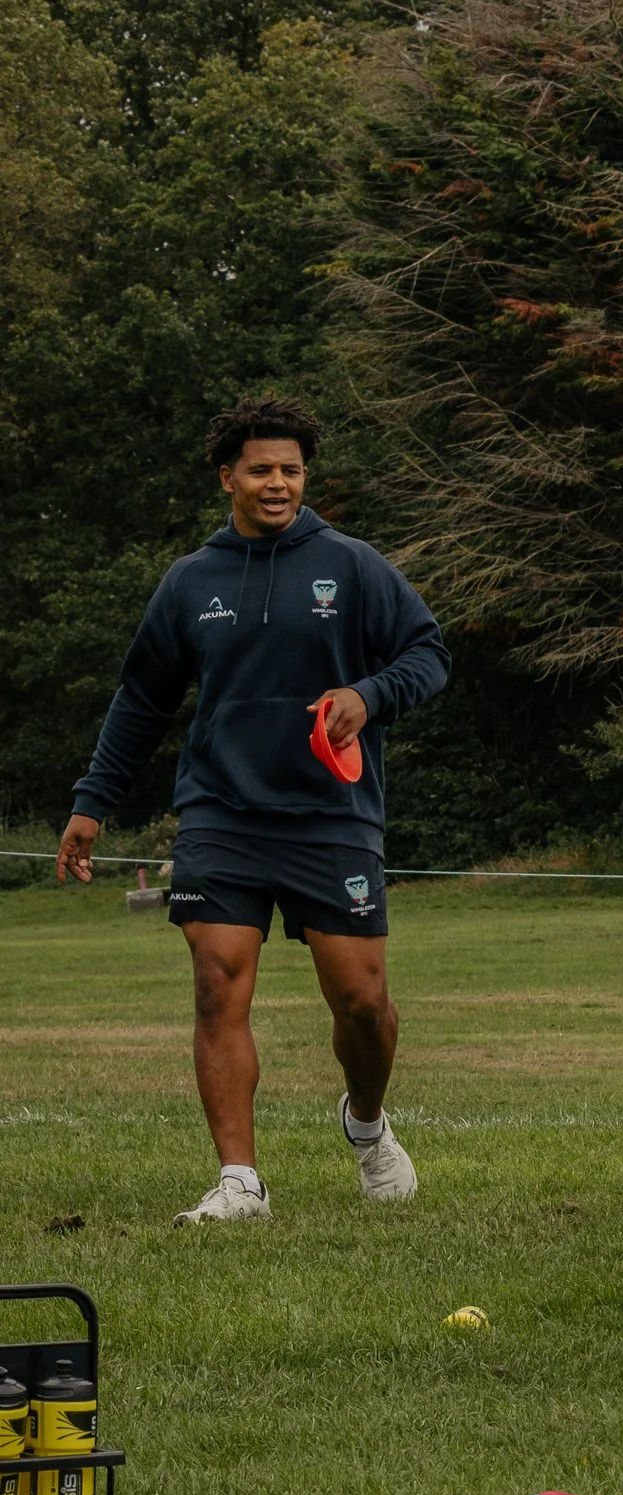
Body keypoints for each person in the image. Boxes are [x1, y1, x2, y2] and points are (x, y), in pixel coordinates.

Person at [55, 397, 449, 1225]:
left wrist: (367, 695)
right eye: (262, 469)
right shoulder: (191, 581)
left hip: (332, 814)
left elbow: (428, 653)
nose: (278, 483)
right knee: (215, 983)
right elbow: (141, 700)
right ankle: (241, 1181)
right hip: (221, 812)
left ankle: (367, 1124)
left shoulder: (351, 564)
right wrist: (92, 801)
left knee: (364, 1004)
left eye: (292, 470)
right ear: (227, 476)